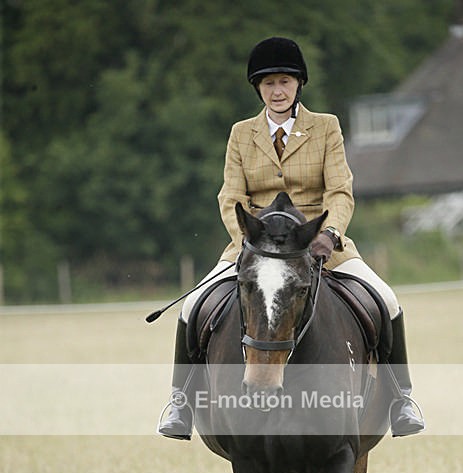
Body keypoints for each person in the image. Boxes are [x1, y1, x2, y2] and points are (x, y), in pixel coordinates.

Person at [159, 36, 424, 440]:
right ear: (258, 89)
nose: (277, 91)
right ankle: (179, 402)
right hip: (255, 248)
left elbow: (339, 190)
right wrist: (250, 243)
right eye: (268, 84)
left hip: (318, 245)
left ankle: (402, 398)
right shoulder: (241, 134)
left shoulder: (325, 127)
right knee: (192, 305)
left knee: (386, 298)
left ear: (298, 83)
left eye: (284, 81)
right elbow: (231, 196)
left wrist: (330, 233)